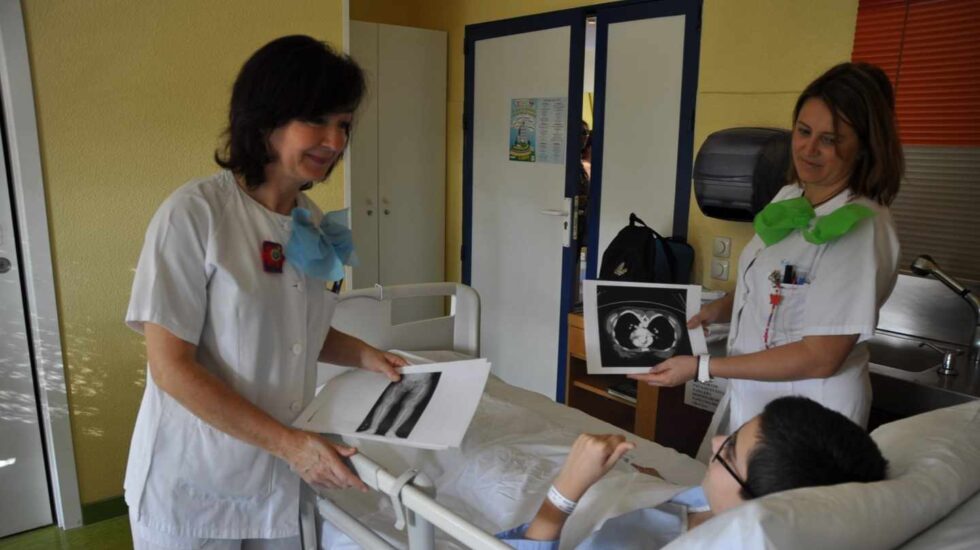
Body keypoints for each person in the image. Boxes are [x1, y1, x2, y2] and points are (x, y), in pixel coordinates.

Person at [124, 35, 407, 548]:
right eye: (317, 120)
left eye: (343, 124)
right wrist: (292, 446)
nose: (335, 140)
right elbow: (171, 367)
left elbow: (298, 327)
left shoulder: (313, 223)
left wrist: (367, 355)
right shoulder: (195, 215)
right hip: (197, 481)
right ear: (266, 119)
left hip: (278, 482)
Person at [629, 62, 904, 431]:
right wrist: (722, 308)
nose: (809, 149)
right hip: (755, 396)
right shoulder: (790, 197)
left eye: (830, 139)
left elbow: (821, 357)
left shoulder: (860, 229)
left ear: (865, 147)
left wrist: (703, 367)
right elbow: (777, 279)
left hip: (810, 411)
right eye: (803, 131)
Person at [497, 396, 888, 548]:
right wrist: (663, 488)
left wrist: (565, 491)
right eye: (733, 435)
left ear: (753, 507)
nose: (716, 443)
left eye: (729, 454)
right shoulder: (723, 502)